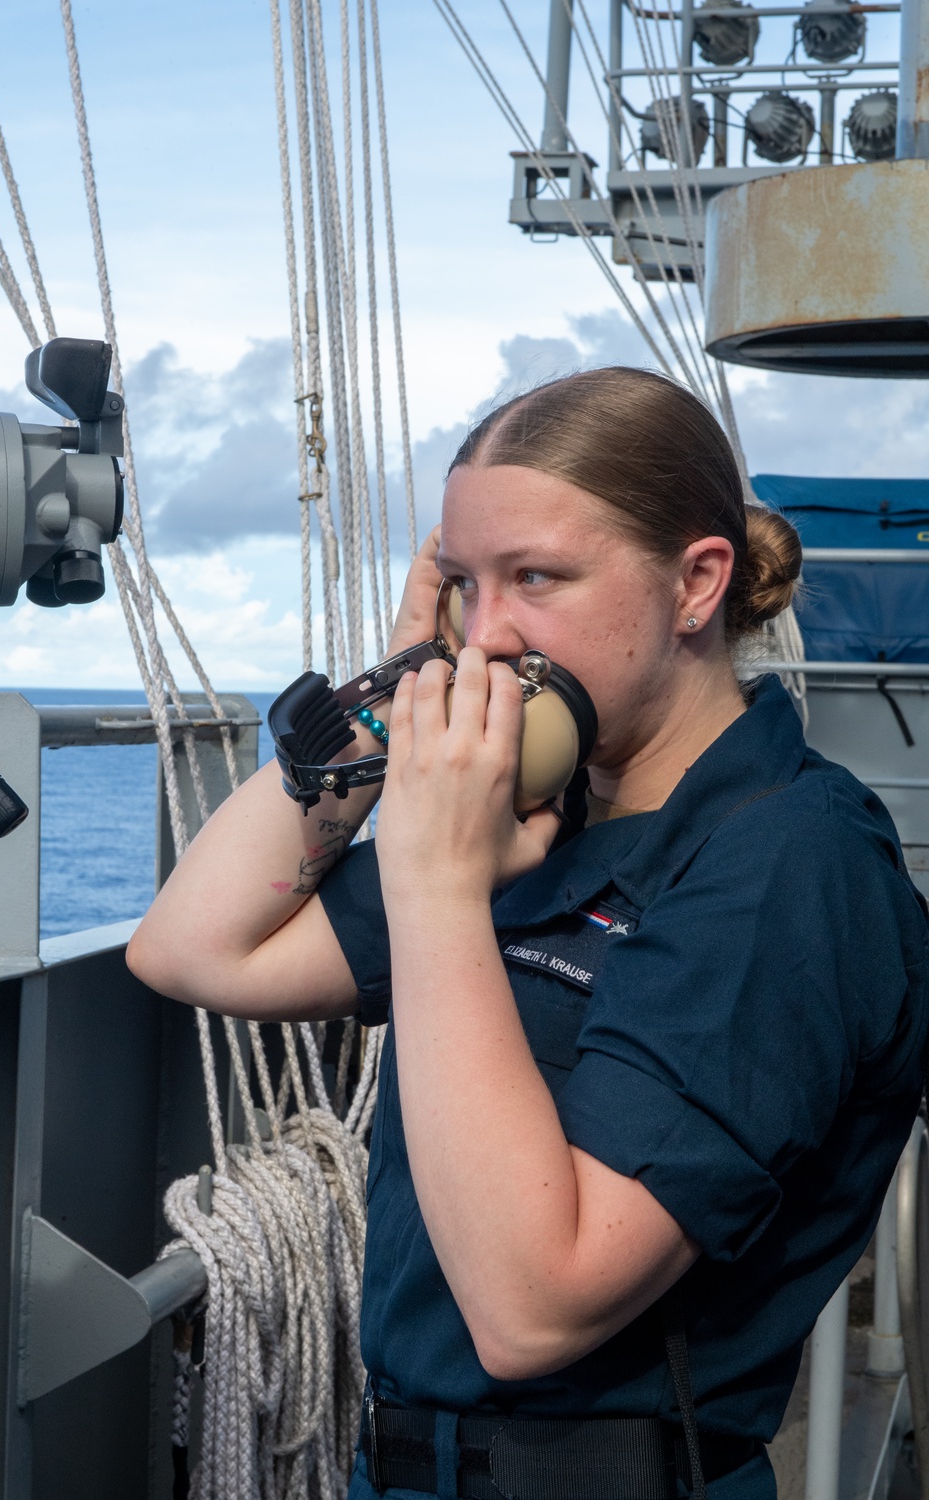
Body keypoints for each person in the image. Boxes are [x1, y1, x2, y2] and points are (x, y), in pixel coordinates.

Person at [127, 366, 929, 1500]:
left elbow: (532, 1309)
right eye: (464, 583)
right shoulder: (531, 823)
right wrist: (386, 703)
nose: (487, 639)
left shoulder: (788, 865)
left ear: (696, 584)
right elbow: (192, 947)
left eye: (536, 578)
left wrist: (438, 890)